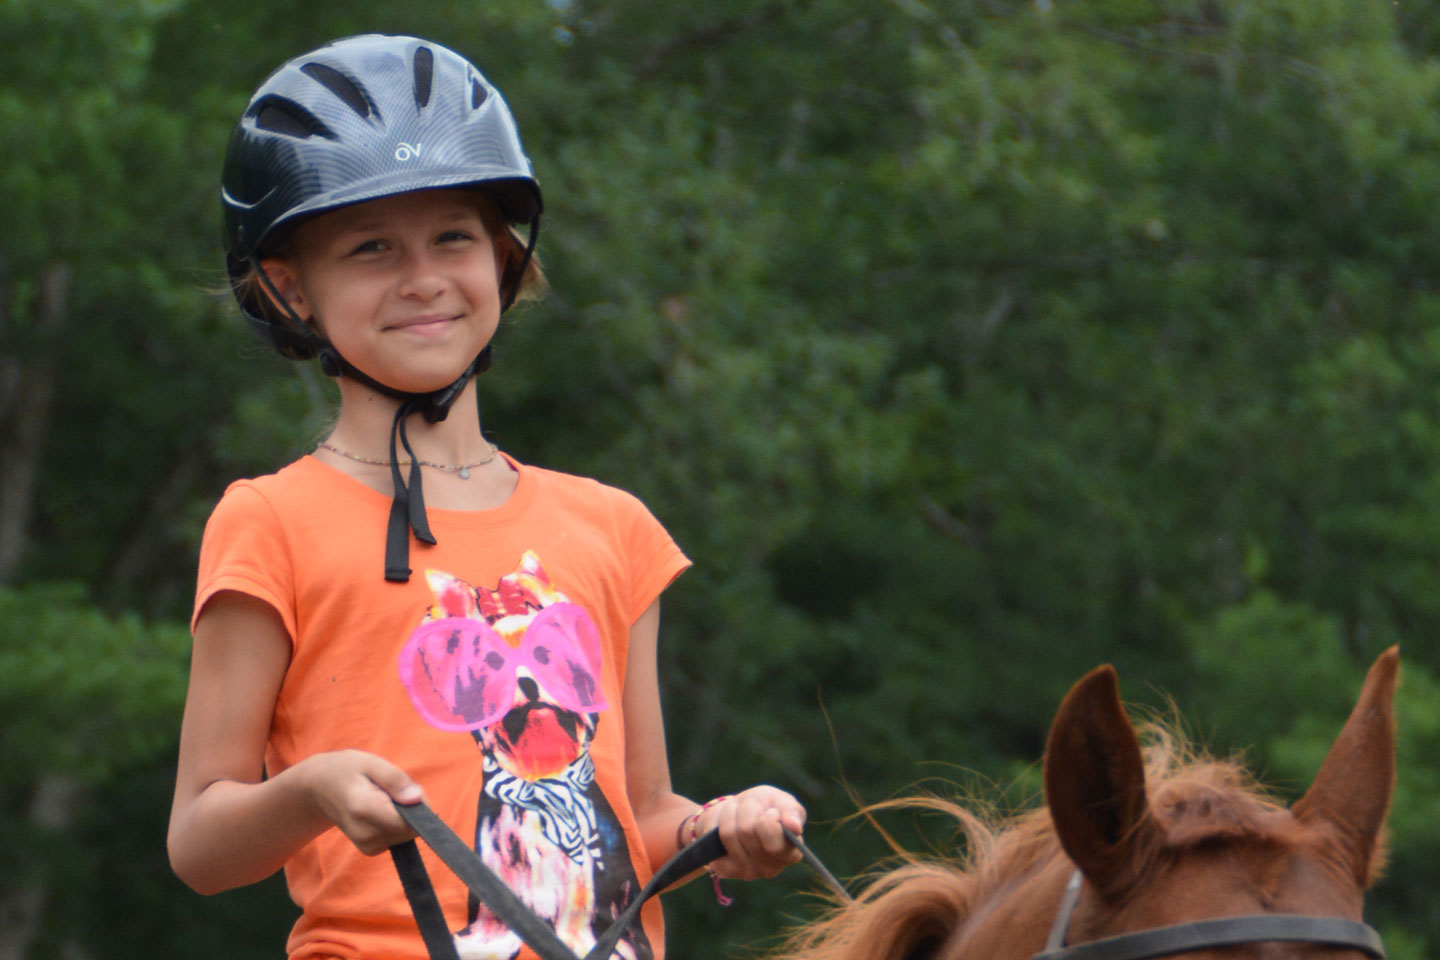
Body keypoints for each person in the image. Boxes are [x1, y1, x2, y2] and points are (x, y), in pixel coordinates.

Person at [167, 34, 806, 960]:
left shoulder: (612, 526)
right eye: (372, 248)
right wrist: (311, 790)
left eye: (454, 237)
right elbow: (199, 844)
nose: (424, 278)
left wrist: (724, 826)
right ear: (291, 288)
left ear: (504, 260)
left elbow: (641, 815)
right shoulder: (270, 523)